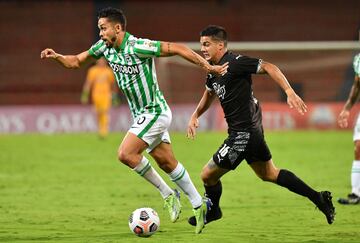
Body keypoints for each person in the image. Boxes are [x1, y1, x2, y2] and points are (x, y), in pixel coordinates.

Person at [40, 7, 227, 234]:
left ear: (117, 28)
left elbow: (176, 48)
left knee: (125, 154)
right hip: (141, 115)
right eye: (99, 28)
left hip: (155, 111)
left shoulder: (138, 46)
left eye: (103, 28)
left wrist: (207, 67)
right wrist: (58, 57)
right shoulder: (104, 48)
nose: (100, 33)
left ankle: (167, 194)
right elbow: (77, 61)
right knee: (167, 162)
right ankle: (199, 205)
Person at [186, 25, 335, 226]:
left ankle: (213, 212)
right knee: (268, 173)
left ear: (220, 45)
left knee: (207, 175)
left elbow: (269, 67)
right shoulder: (212, 70)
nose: (202, 49)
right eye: (201, 44)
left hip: (243, 133)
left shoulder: (236, 63)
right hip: (250, 130)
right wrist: (196, 114)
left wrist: (289, 91)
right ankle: (318, 197)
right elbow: (209, 93)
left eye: (207, 44)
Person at [337, 53, 360, 205]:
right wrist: (347, 108)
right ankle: (356, 193)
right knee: (358, 147)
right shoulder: (359, 59)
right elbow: (357, 84)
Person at [81, 58, 116, 139]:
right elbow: (88, 83)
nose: (101, 62)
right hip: (96, 95)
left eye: (102, 60)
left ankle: (104, 131)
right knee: (98, 113)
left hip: (106, 95)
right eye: (99, 60)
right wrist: (85, 94)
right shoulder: (92, 70)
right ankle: (101, 129)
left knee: (105, 112)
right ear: (96, 61)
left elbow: (113, 84)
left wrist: (114, 95)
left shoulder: (108, 71)